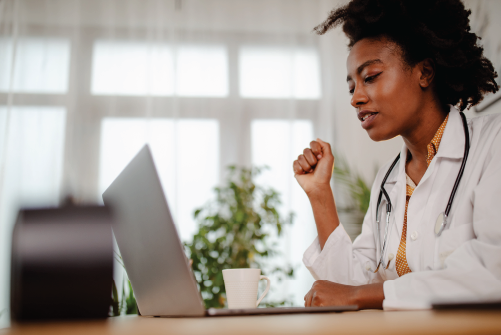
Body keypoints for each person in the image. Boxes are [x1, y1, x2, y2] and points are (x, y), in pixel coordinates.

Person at [293, 0, 500, 310]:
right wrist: (320, 194)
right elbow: (351, 288)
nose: (356, 99)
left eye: (371, 76)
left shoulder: (492, 143)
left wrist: (357, 295)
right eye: (352, 88)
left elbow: (490, 270)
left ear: (425, 72)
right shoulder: (388, 182)